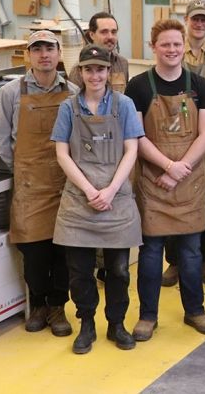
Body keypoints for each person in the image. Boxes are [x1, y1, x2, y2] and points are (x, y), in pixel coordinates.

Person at [124, 19, 205, 340]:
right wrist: (167, 166)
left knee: (191, 253)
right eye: (165, 44)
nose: (172, 50)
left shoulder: (200, 85)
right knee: (151, 253)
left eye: (177, 44)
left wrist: (182, 167)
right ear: (154, 47)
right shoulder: (137, 86)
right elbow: (135, 135)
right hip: (153, 180)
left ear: (183, 46)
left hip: (190, 180)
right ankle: (147, 316)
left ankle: (195, 311)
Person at [51, 44, 144, 354]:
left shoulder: (124, 105)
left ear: (109, 72)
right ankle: (87, 322)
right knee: (80, 271)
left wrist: (110, 190)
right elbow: (62, 153)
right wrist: (90, 190)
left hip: (116, 199)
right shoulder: (68, 108)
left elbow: (131, 149)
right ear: (80, 72)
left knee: (118, 270)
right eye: (88, 69)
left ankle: (116, 323)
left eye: (100, 69)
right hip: (79, 200)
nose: (94, 75)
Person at [0, 30, 79, 337]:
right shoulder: (11, 93)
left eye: (49, 48)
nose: (44, 54)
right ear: (29, 55)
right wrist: (25, 170)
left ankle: (58, 307)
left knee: (63, 250)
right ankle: (38, 304)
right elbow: (3, 141)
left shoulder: (72, 92)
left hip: (64, 183)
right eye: (37, 49)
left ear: (58, 54)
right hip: (30, 184)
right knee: (34, 251)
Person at [159, 0, 205, 288]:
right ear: (186, 20)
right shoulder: (176, 49)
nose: (199, 24)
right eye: (195, 19)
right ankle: (174, 262)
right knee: (173, 198)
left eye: (204, 19)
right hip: (174, 135)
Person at [67, 12, 131, 92]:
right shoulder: (79, 69)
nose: (110, 37)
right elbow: (74, 101)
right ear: (92, 35)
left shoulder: (122, 63)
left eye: (113, 32)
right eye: (104, 32)